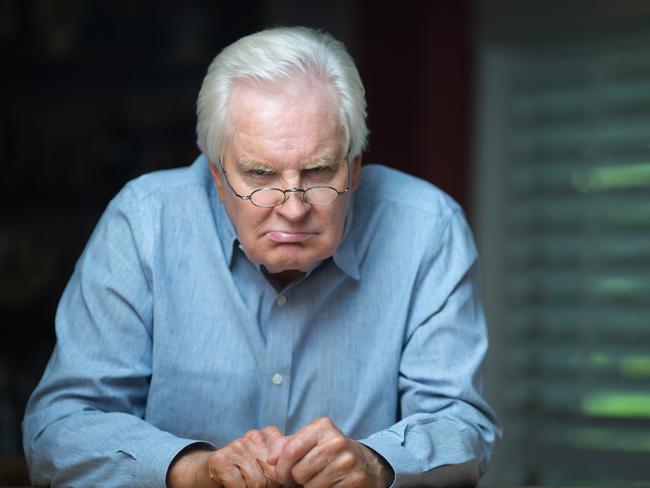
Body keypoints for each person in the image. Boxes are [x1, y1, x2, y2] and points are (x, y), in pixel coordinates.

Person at [22, 26, 500, 487]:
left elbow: (462, 424)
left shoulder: (427, 227)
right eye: (259, 174)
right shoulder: (145, 221)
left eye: (317, 172)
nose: (292, 208)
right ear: (216, 173)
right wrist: (189, 471)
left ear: (354, 166)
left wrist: (377, 463)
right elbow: (57, 430)